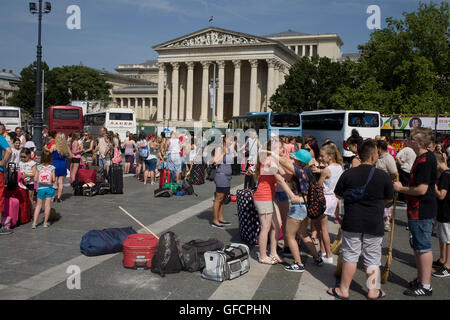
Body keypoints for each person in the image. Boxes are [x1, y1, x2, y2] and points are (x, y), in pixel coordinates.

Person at [328, 139, 394, 300]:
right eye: (377, 154)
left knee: (350, 255)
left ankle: (343, 290)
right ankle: (373, 291)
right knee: (372, 257)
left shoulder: (349, 173)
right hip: (374, 221)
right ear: (372, 156)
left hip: (352, 220)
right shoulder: (382, 176)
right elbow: (389, 199)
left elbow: (338, 194)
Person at [393, 127, 437, 297]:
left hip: (422, 209)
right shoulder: (422, 157)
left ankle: (426, 285)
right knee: (418, 246)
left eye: (411, 138)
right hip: (416, 209)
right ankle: (421, 279)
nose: (408, 140)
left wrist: (400, 188)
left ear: (419, 143)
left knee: (423, 246)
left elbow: (421, 189)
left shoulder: (426, 160)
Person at [275, 148, 324, 271]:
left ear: (299, 160)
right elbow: (286, 175)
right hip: (306, 205)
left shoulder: (300, 170)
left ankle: (299, 264)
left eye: (295, 158)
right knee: (303, 234)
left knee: (289, 236)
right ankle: (317, 257)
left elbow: (285, 163)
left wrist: (271, 154)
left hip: (298, 206)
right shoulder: (307, 172)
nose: (293, 159)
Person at [253, 140, 282, 265]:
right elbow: (281, 175)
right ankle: (263, 256)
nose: (283, 150)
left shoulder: (271, 159)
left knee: (277, 224)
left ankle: (273, 252)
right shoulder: (270, 160)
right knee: (265, 227)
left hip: (269, 197)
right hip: (263, 197)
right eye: (280, 148)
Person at [314, 143, 344, 263]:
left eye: (322, 156)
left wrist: (319, 174)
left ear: (330, 156)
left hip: (324, 198)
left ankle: (328, 255)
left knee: (323, 229)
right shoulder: (339, 167)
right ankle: (324, 251)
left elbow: (319, 185)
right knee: (322, 227)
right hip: (333, 198)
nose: (320, 158)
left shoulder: (326, 170)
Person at [433, 152, 450, 278]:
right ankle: (443, 259)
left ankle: (448, 266)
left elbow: (441, 195)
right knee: (442, 237)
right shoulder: (445, 174)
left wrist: (433, 186)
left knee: (448, 239)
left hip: (446, 211)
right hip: (443, 211)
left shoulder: (445, 175)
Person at [210, 136, 233, 229]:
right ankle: (215, 220)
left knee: (224, 198)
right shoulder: (219, 148)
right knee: (218, 198)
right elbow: (216, 162)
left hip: (227, 176)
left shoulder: (228, 148)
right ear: (224, 139)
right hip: (221, 176)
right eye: (230, 139)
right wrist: (223, 153)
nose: (231, 141)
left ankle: (220, 217)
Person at [376, 140, 399, 232]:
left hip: (386, 184)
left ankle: (387, 221)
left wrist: (387, 179)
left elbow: (394, 173)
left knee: (387, 204)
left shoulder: (389, 158)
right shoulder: (378, 157)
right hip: (378, 185)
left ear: (380, 148)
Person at [32, 149, 56, 229]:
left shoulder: (38, 167)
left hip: (41, 188)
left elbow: (35, 179)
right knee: (47, 206)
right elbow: (53, 179)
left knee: (38, 205)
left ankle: (34, 223)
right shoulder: (52, 167)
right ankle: (45, 223)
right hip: (49, 188)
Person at [50, 133, 72, 203]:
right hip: (62, 164)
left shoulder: (54, 146)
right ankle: (59, 198)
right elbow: (71, 156)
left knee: (54, 181)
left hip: (55, 164)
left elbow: (49, 154)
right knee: (61, 182)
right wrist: (65, 156)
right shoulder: (66, 147)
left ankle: (53, 197)